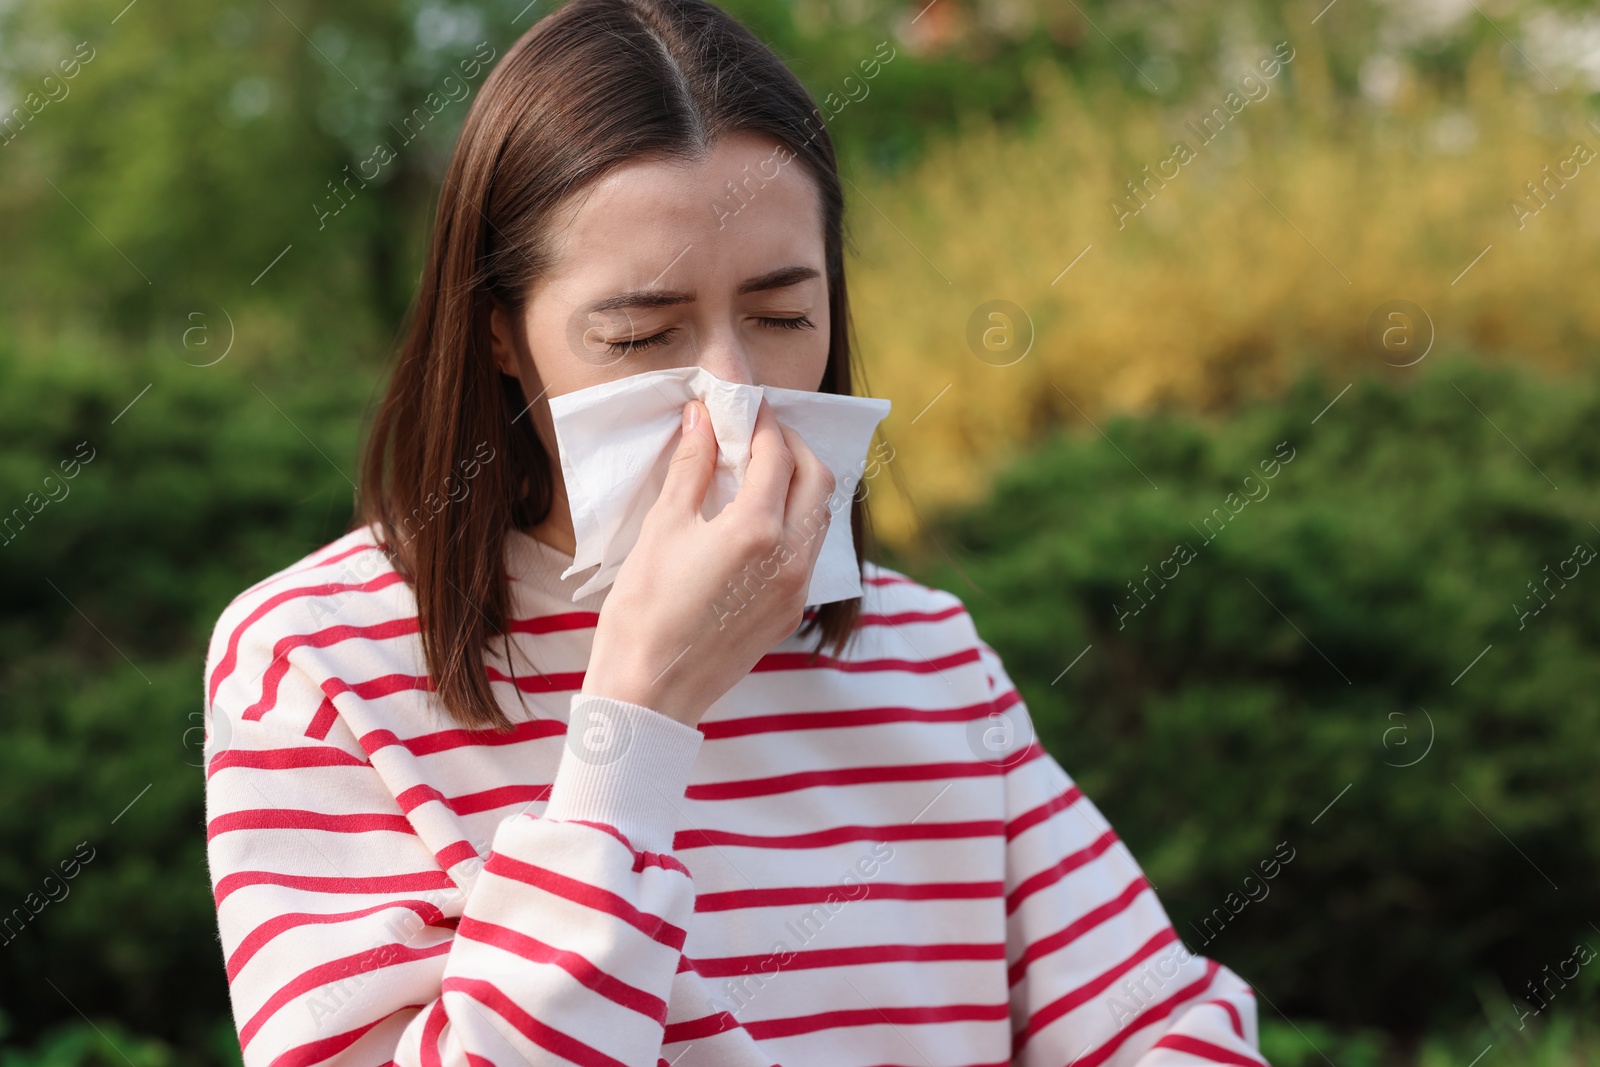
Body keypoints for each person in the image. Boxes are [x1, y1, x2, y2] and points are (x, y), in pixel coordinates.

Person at [201, 0, 1267, 1063]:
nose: (732, 395)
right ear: (500, 337)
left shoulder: (930, 655)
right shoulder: (318, 657)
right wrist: (635, 720)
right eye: (642, 334)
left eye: (782, 316)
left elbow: (1166, 1029)